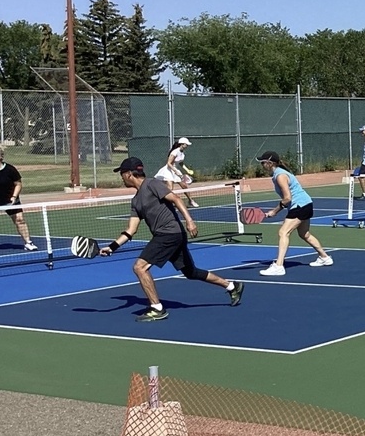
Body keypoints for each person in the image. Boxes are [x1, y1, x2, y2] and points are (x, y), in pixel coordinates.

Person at [101, 157, 243, 322]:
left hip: (169, 233)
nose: (121, 178)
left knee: (140, 267)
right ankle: (232, 286)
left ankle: (157, 308)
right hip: (171, 235)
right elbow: (131, 230)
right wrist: (112, 247)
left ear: (128, 174)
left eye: (122, 174)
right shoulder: (135, 201)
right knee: (191, 272)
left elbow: (176, 198)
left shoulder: (152, 184)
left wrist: (189, 221)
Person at [256, 150, 334, 276]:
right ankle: (325, 257)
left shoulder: (280, 176)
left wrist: (275, 211)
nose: (262, 165)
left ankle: (279, 266)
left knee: (283, 232)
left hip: (300, 206)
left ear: (270, 163)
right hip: (306, 204)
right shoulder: (279, 174)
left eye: (263, 162)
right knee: (304, 234)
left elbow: (287, 198)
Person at [0, 147, 37, 251]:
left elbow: (18, 184)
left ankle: (28, 243)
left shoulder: (10, 170)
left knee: (19, 220)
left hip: (10, 200)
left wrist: (14, 197)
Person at [155, 137, 198, 208]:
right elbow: (169, 163)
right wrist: (175, 170)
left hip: (176, 171)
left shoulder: (182, 152)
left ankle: (190, 201)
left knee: (184, 186)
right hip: (168, 171)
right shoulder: (174, 152)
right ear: (182, 144)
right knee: (170, 188)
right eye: (186, 144)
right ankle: (165, 202)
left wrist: (187, 170)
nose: (187, 146)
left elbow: (181, 163)